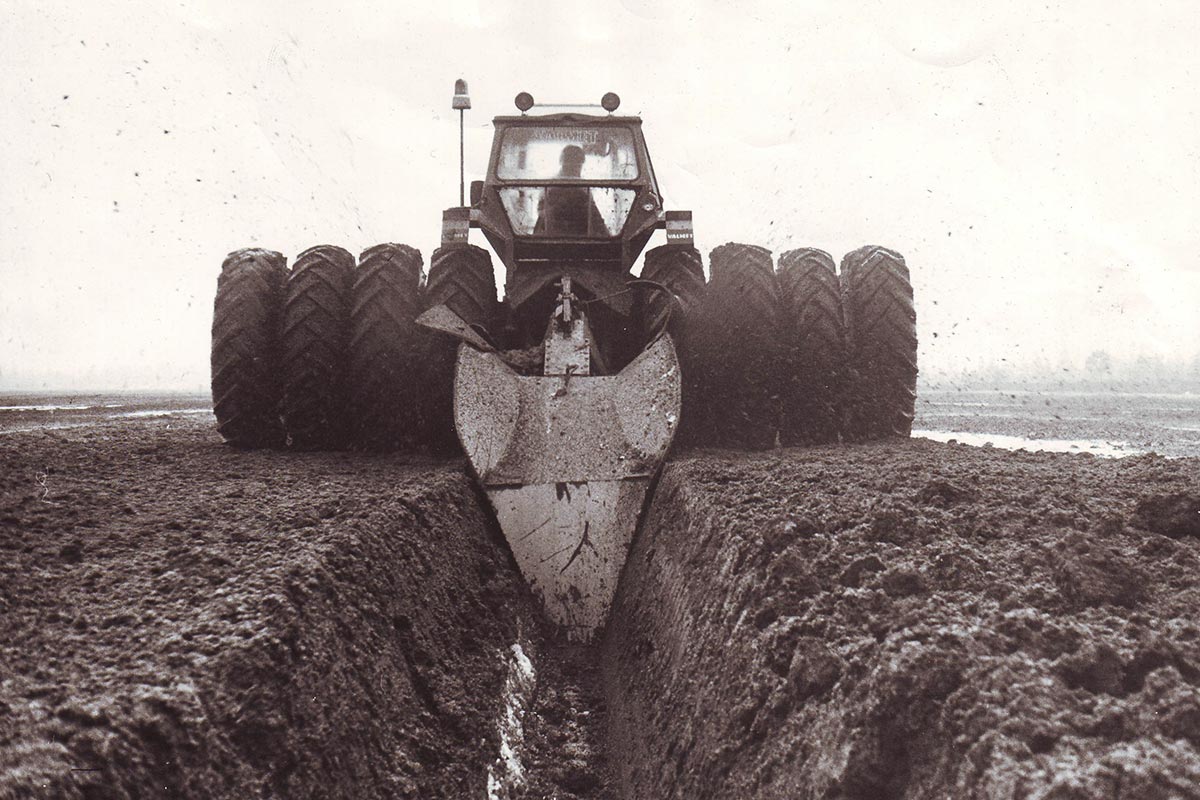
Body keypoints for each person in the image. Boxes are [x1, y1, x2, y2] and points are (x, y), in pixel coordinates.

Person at [534, 145, 606, 236]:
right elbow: (542, 216)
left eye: (577, 165)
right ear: (563, 163)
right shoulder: (549, 187)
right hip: (559, 235)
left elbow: (596, 219)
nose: (575, 169)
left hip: (576, 236)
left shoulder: (584, 187)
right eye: (571, 165)